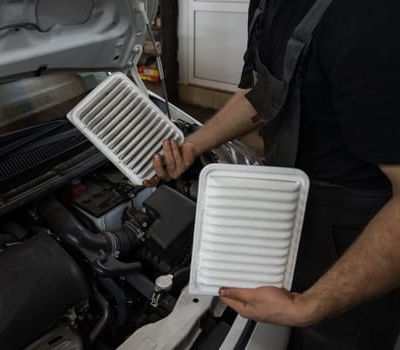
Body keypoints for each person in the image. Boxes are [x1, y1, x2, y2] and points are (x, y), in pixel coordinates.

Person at [144, 0, 400, 348]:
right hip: (289, 200)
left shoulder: (369, 20)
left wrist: (306, 306)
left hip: (356, 233)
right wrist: (193, 146)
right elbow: (261, 93)